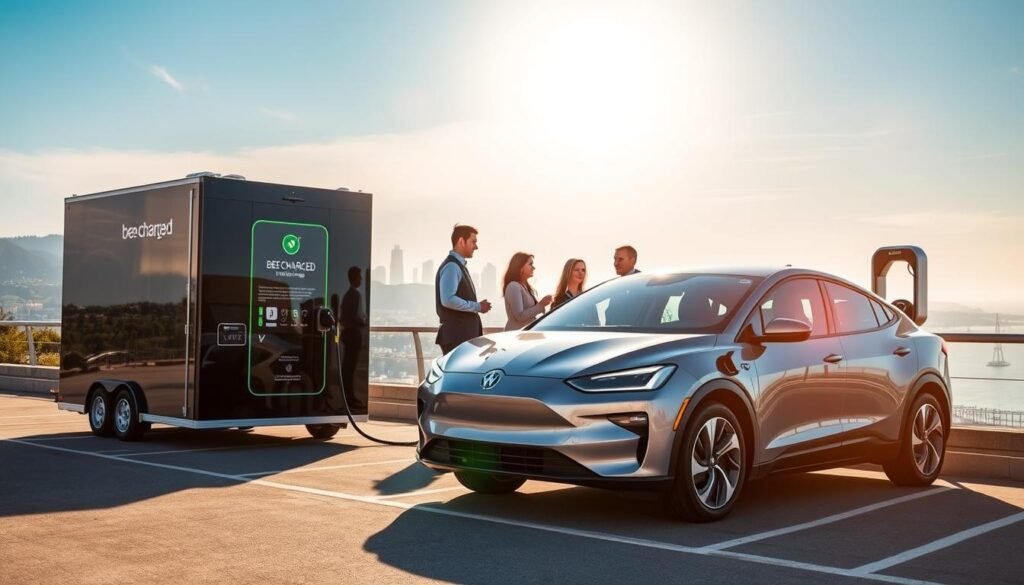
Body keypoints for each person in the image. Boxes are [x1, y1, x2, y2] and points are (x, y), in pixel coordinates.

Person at [435, 225, 491, 355]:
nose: (476, 247)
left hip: (460, 336)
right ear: (461, 241)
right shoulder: (452, 267)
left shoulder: (458, 266)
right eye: (473, 242)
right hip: (457, 337)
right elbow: (448, 300)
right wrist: (477, 306)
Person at [339, 266, 367, 409]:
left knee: (347, 368)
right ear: (354, 278)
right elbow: (357, 316)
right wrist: (363, 322)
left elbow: (343, 317)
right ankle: (350, 398)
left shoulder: (346, 295)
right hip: (353, 335)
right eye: (359, 276)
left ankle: (347, 396)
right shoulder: (355, 295)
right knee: (350, 368)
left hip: (347, 335)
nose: (361, 279)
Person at [503, 252, 552, 330]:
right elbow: (520, 316)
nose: (534, 268)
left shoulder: (524, 286)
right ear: (520, 267)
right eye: (530, 264)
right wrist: (540, 305)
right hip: (516, 336)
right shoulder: (513, 286)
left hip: (525, 335)